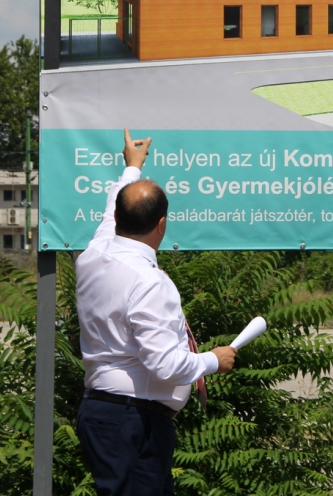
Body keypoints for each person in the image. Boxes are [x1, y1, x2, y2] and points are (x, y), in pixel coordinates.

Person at [75, 129, 237, 496]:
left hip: (104, 415)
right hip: (134, 422)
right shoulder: (150, 282)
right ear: (162, 224)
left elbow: (111, 206)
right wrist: (214, 360)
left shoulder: (94, 253)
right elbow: (164, 365)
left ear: (118, 217)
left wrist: (132, 167)